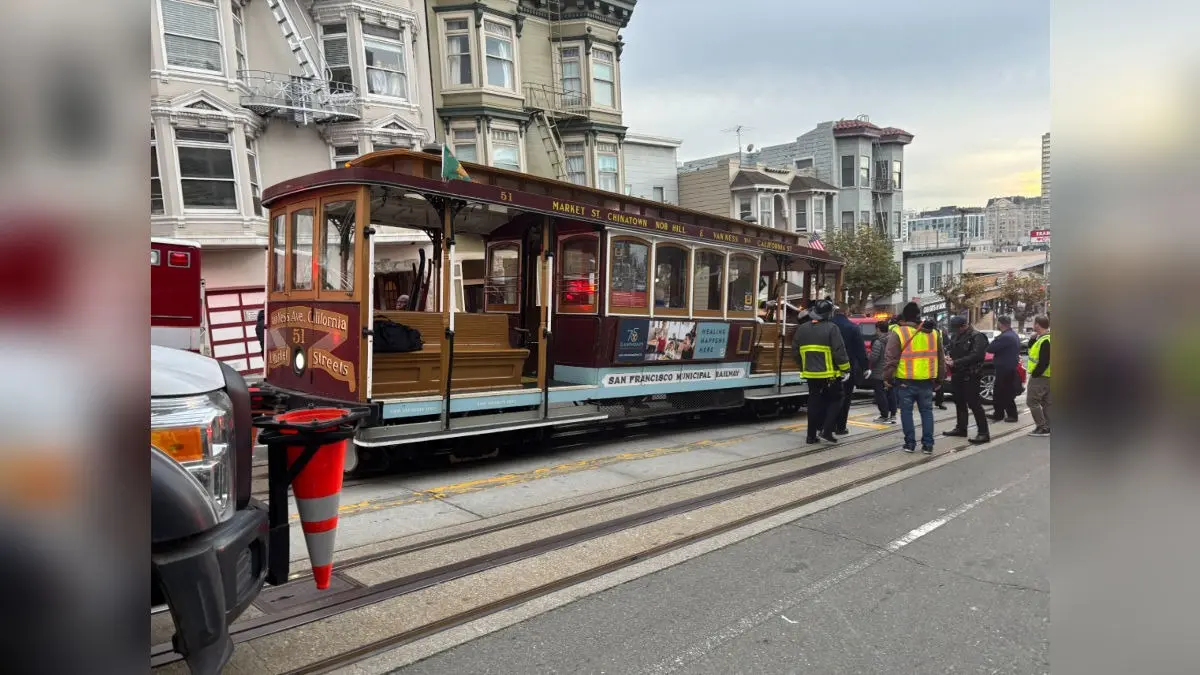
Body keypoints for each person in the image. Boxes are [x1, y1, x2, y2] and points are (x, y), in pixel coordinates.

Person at [882, 302, 945, 454]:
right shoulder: (934, 333)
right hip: (927, 380)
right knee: (927, 412)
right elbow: (940, 358)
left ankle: (910, 444)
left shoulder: (899, 332)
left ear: (904, 316)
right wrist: (939, 379)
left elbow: (891, 358)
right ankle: (928, 445)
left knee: (906, 412)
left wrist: (887, 378)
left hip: (905, 381)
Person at [793, 298, 851, 444]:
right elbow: (839, 351)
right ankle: (826, 430)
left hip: (810, 374)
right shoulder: (832, 328)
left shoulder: (802, 329)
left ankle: (811, 436)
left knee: (813, 403)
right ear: (828, 314)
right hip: (829, 374)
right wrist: (846, 369)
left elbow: (795, 352)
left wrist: (803, 367)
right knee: (837, 399)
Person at [942, 315, 991, 444]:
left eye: (957, 329)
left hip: (971, 374)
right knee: (959, 401)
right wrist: (949, 358)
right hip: (958, 373)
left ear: (964, 326)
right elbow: (952, 349)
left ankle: (983, 433)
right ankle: (961, 428)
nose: (955, 332)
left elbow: (977, 355)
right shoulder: (956, 336)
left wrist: (956, 362)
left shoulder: (977, 336)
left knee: (974, 404)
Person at [831, 308, 871, 435]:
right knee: (845, 398)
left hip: (828, 367)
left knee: (829, 398)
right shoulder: (853, 327)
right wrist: (865, 367)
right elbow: (860, 350)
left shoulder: (828, 325)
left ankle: (828, 425)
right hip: (848, 368)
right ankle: (840, 427)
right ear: (847, 313)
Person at [986, 315, 1022, 423]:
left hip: (1005, 369)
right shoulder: (1012, 335)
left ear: (1000, 324)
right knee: (999, 393)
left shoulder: (1005, 336)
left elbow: (990, 348)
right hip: (1007, 368)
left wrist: (996, 339)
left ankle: (1012, 415)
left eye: (998, 323)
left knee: (1005, 393)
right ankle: (998, 413)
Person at [1026, 315, 1052, 436]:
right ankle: (1049, 426)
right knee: (1047, 402)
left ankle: (1042, 427)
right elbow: (1032, 351)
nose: (1033, 325)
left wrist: (1036, 374)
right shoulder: (1044, 338)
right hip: (1048, 376)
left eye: (1034, 323)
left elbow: (1044, 362)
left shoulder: (1045, 340)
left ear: (1037, 325)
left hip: (1041, 377)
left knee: (1032, 401)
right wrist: (1032, 339)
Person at [868, 319, 898, 423]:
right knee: (891, 393)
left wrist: (868, 356)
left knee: (880, 394)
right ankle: (893, 414)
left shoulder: (878, 342)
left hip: (879, 373)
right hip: (891, 371)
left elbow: (874, 358)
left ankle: (884, 415)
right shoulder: (893, 340)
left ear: (878, 329)